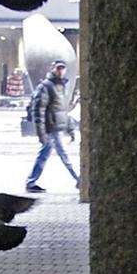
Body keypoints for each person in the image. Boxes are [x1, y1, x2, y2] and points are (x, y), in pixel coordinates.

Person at [25, 60, 78, 193]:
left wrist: (70, 127)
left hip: (56, 128)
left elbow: (63, 109)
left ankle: (31, 181)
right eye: (58, 68)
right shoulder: (46, 86)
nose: (60, 71)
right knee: (64, 156)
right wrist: (41, 133)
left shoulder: (60, 86)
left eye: (62, 68)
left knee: (45, 155)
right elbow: (38, 110)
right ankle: (79, 180)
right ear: (53, 69)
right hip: (51, 129)